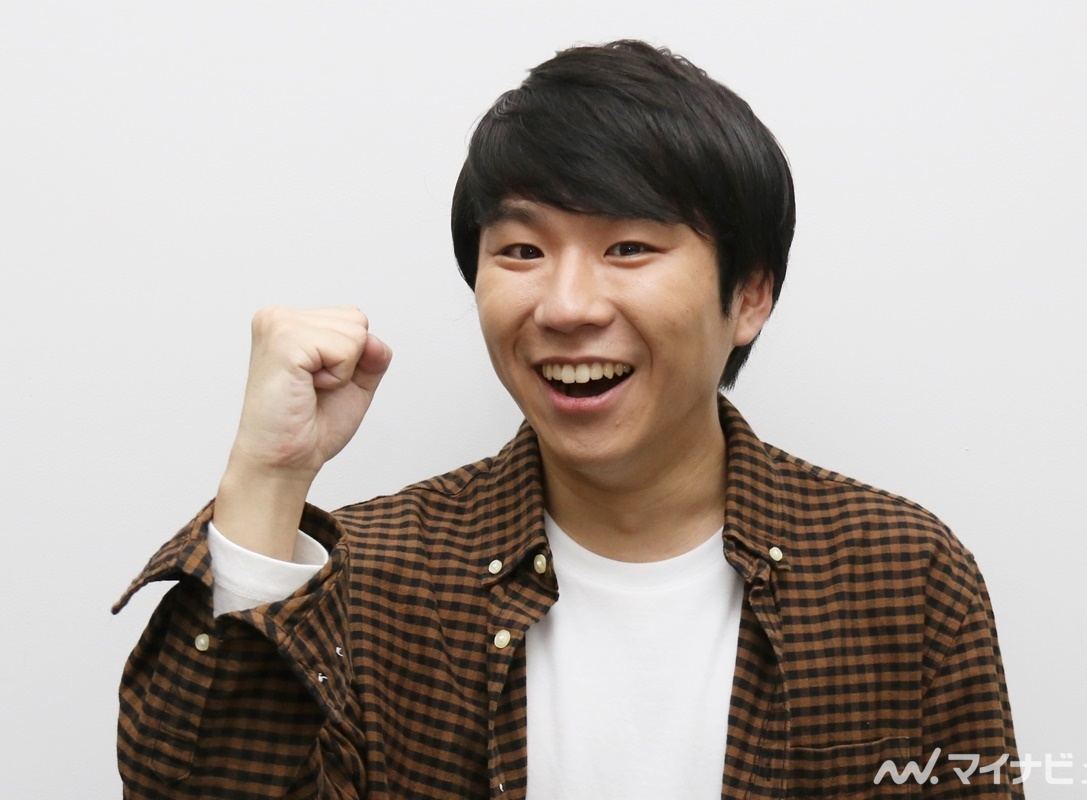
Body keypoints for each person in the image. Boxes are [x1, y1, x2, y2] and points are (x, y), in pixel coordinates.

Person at [113, 39, 1022, 798]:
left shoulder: (900, 575)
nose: (567, 305)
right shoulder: (376, 579)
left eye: (628, 247)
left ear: (749, 295)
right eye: (521, 250)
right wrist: (267, 480)